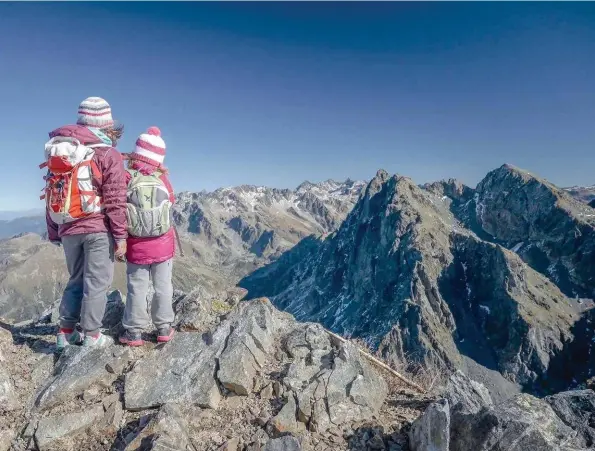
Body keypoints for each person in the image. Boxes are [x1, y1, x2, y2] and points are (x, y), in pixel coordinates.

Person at [44, 97, 128, 349]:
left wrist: (54, 231)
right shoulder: (107, 154)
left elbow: (50, 195)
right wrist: (121, 236)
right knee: (97, 282)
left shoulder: (62, 153)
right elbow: (115, 198)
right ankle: (92, 335)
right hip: (97, 229)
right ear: (105, 123)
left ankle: (65, 331)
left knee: (76, 279)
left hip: (68, 227)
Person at [119, 127, 176, 346]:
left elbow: (118, 207)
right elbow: (170, 201)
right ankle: (164, 327)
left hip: (136, 245)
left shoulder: (127, 176)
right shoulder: (162, 178)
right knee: (163, 286)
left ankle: (133, 332)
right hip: (163, 244)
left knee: (137, 287)